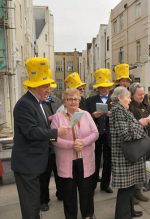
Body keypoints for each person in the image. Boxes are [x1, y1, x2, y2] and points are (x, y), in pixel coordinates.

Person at [11, 57, 68, 219]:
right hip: (27, 166)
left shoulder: (37, 103)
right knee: (30, 208)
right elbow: (32, 132)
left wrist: (50, 121)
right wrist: (57, 132)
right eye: (47, 86)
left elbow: (38, 126)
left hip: (34, 164)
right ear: (37, 86)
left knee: (34, 205)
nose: (50, 90)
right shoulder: (24, 104)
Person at [51, 88, 99, 219]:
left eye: (76, 99)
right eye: (69, 99)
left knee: (87, 192)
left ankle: (88, 215)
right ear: (64, 101)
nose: (73, 102)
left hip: (85, 160)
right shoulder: (57, 117)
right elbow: (52, 138)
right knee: (69, 194)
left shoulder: (86, 115)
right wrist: (71, 145)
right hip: (66, 162)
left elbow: (95, 133)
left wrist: (83, 142)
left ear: (79, 100)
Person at [109, 86, 146, 219]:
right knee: (125, 189)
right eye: (128, 97)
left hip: (128, 153)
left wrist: (138, 124)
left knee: (130, 186)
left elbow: (130, 127)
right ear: (119, 98)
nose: (130, 100)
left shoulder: (122, 109)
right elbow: (125, 134)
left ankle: (129, 211)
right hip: (124, 154)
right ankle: (122, 215)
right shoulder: (118, 111)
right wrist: (140, 124)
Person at [86, 68, 114, 193]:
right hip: (95, 134)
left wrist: (112, 115)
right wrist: (93, 115)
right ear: (98, 88)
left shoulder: (115, 100)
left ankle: (105, 184)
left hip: (109, 134)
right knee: (94, 160)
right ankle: (92, 184)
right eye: (102, 87)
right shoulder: (90, 100)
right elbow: (85, 117)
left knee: (108, 161)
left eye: (106, 87)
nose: (104, 89)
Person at [129, 83, 150, 202]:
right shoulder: (129, 106)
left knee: (142, 166)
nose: (142, 96)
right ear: (132, 94)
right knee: (134, 167)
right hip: (135, 140)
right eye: (139, 94)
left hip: (145, 137)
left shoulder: (145, 103)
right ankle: (132, 193)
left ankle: (138, 190)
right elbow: (130, 123)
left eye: (142, 94)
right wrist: (142, 121)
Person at [39, 80, 63, 211]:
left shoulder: (57, 101)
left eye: (50, 88)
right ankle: (44, 200)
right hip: (45, 142)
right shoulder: (38, 103)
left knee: (59, 171)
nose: (49, 91)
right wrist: (49, 119)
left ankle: (61, 193)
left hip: (57, 141)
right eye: (47, 88)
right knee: (45, 174)